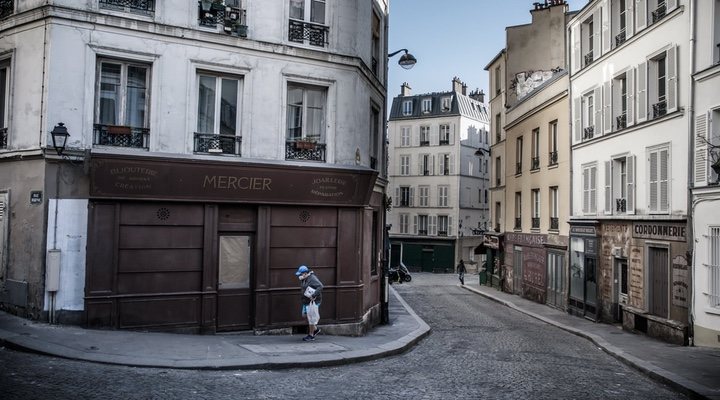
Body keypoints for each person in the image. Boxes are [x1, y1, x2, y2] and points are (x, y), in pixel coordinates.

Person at [295, 265, 323, 341]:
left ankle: (311, 335)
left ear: (305, 273)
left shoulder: (312, 278)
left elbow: (320, 286)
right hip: (306, 301)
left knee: (311, 318)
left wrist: (313, 295)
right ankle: (315, 329)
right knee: (304, 315)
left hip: (312, 301)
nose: (299, 276)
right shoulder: (304, 278)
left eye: (300, 274)